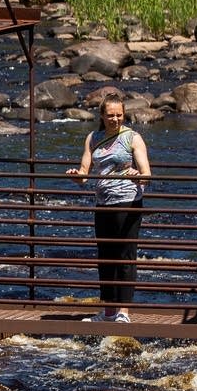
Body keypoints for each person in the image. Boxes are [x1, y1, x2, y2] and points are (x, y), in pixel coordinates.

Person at [68, 97, 151, 323]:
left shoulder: (132, 137)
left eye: (119, 115)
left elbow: (146, 173)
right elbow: (85, 173)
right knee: (105, 256)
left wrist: (137, 175)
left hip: (128, 202)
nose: (115, 119)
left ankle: (123, 312)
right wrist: (77, 176)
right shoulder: (93, 138)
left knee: (125, 255)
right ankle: (108, 310)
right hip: (103, 203)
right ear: (102, 116)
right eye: (111, 115)